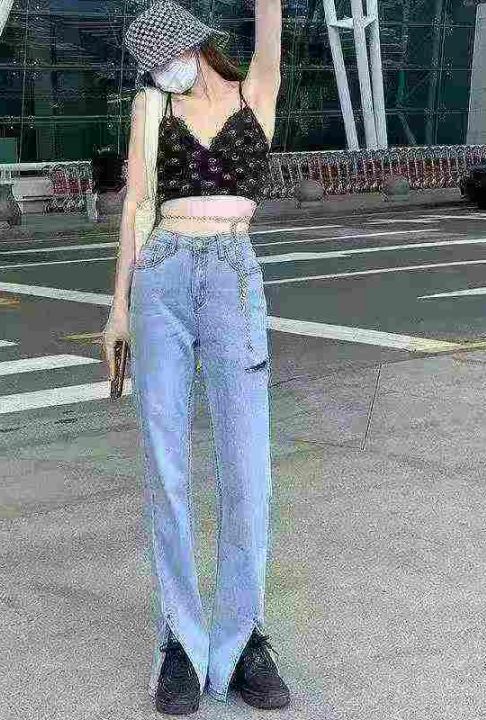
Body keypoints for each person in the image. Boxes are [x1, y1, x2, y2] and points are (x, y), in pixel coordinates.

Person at [103, 0, 287, 713]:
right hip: (163, 276)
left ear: (194, 45)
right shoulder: (153, 107)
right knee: (165, 462)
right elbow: (134, 206)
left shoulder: (255, 92)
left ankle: (243, 641)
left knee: (247, 467)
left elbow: (270, 20)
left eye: (163, 59)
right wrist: (119, 307)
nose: (159, 73)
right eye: (150, 66)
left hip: (234, 275)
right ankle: (180, 640)